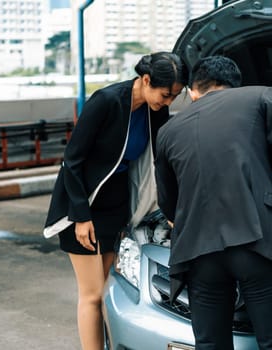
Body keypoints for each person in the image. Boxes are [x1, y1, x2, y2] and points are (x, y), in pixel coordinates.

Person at [154, 55, 272, 350]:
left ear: (194, 92)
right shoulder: (261, 96)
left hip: (199, 255)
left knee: (210, 345)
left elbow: (169, 204)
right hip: (260, 243)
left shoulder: (169, 130)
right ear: (236, 85)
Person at [43, 52, 188, 350]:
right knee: (92, 293)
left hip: (116, 204)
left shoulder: (154, 109)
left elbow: (161, 161)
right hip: (82, 203)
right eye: (165, 94)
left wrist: (172, 209)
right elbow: (72, 161)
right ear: (146, 80)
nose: (168, 102)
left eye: (174, 96)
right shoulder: (107, 101)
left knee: (106, 288)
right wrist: (81, 217)